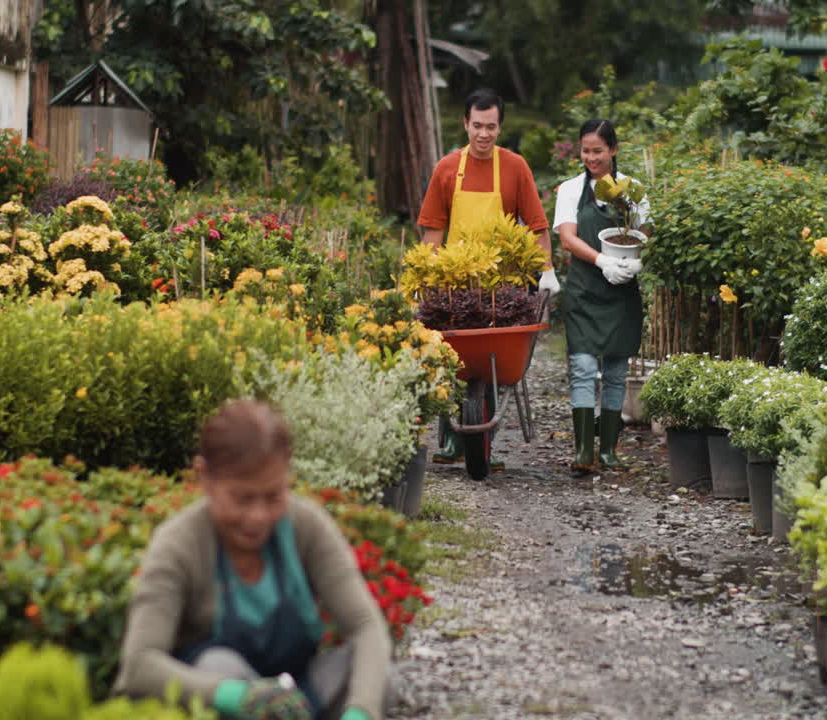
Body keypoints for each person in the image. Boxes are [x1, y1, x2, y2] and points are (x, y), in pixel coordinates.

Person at [113, 400, 393, 720]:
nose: (258, 517)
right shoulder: (180, 544)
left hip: (298, 700)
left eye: (273, 496)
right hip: (217, 703)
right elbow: (139, 664)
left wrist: (360, 711)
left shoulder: (306, 527)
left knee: (377, 676)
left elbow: (365, 626)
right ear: (204, 477)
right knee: (219, 664)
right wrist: (231, 694)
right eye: (242, 498)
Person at [417, 88, 560, 469]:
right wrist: (426, 277)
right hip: (456, 282)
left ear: (500, 127)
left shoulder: (514, 167)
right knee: (451, 358)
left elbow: (537, 227)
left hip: (502, 286)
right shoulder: (447, 168)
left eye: (491, 127)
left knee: (495, 362)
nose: (484, 134)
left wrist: (545, 270)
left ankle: (483, 439)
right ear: (465, 123)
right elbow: (433, 230)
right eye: (477, 126)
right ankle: (449, 438)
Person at [553, 119, 648, 474]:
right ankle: (582, 451)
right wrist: (602, 260)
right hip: (583, 289)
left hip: (620, 291)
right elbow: (567, 238)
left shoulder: (632, 189)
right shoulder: (570, 189)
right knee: (581, 367)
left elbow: (644, 232)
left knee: (615, 370)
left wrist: (633, 262)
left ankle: (608, 450)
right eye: (585, 150)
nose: (591, 158)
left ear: (613, 149)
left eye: (598, 150)